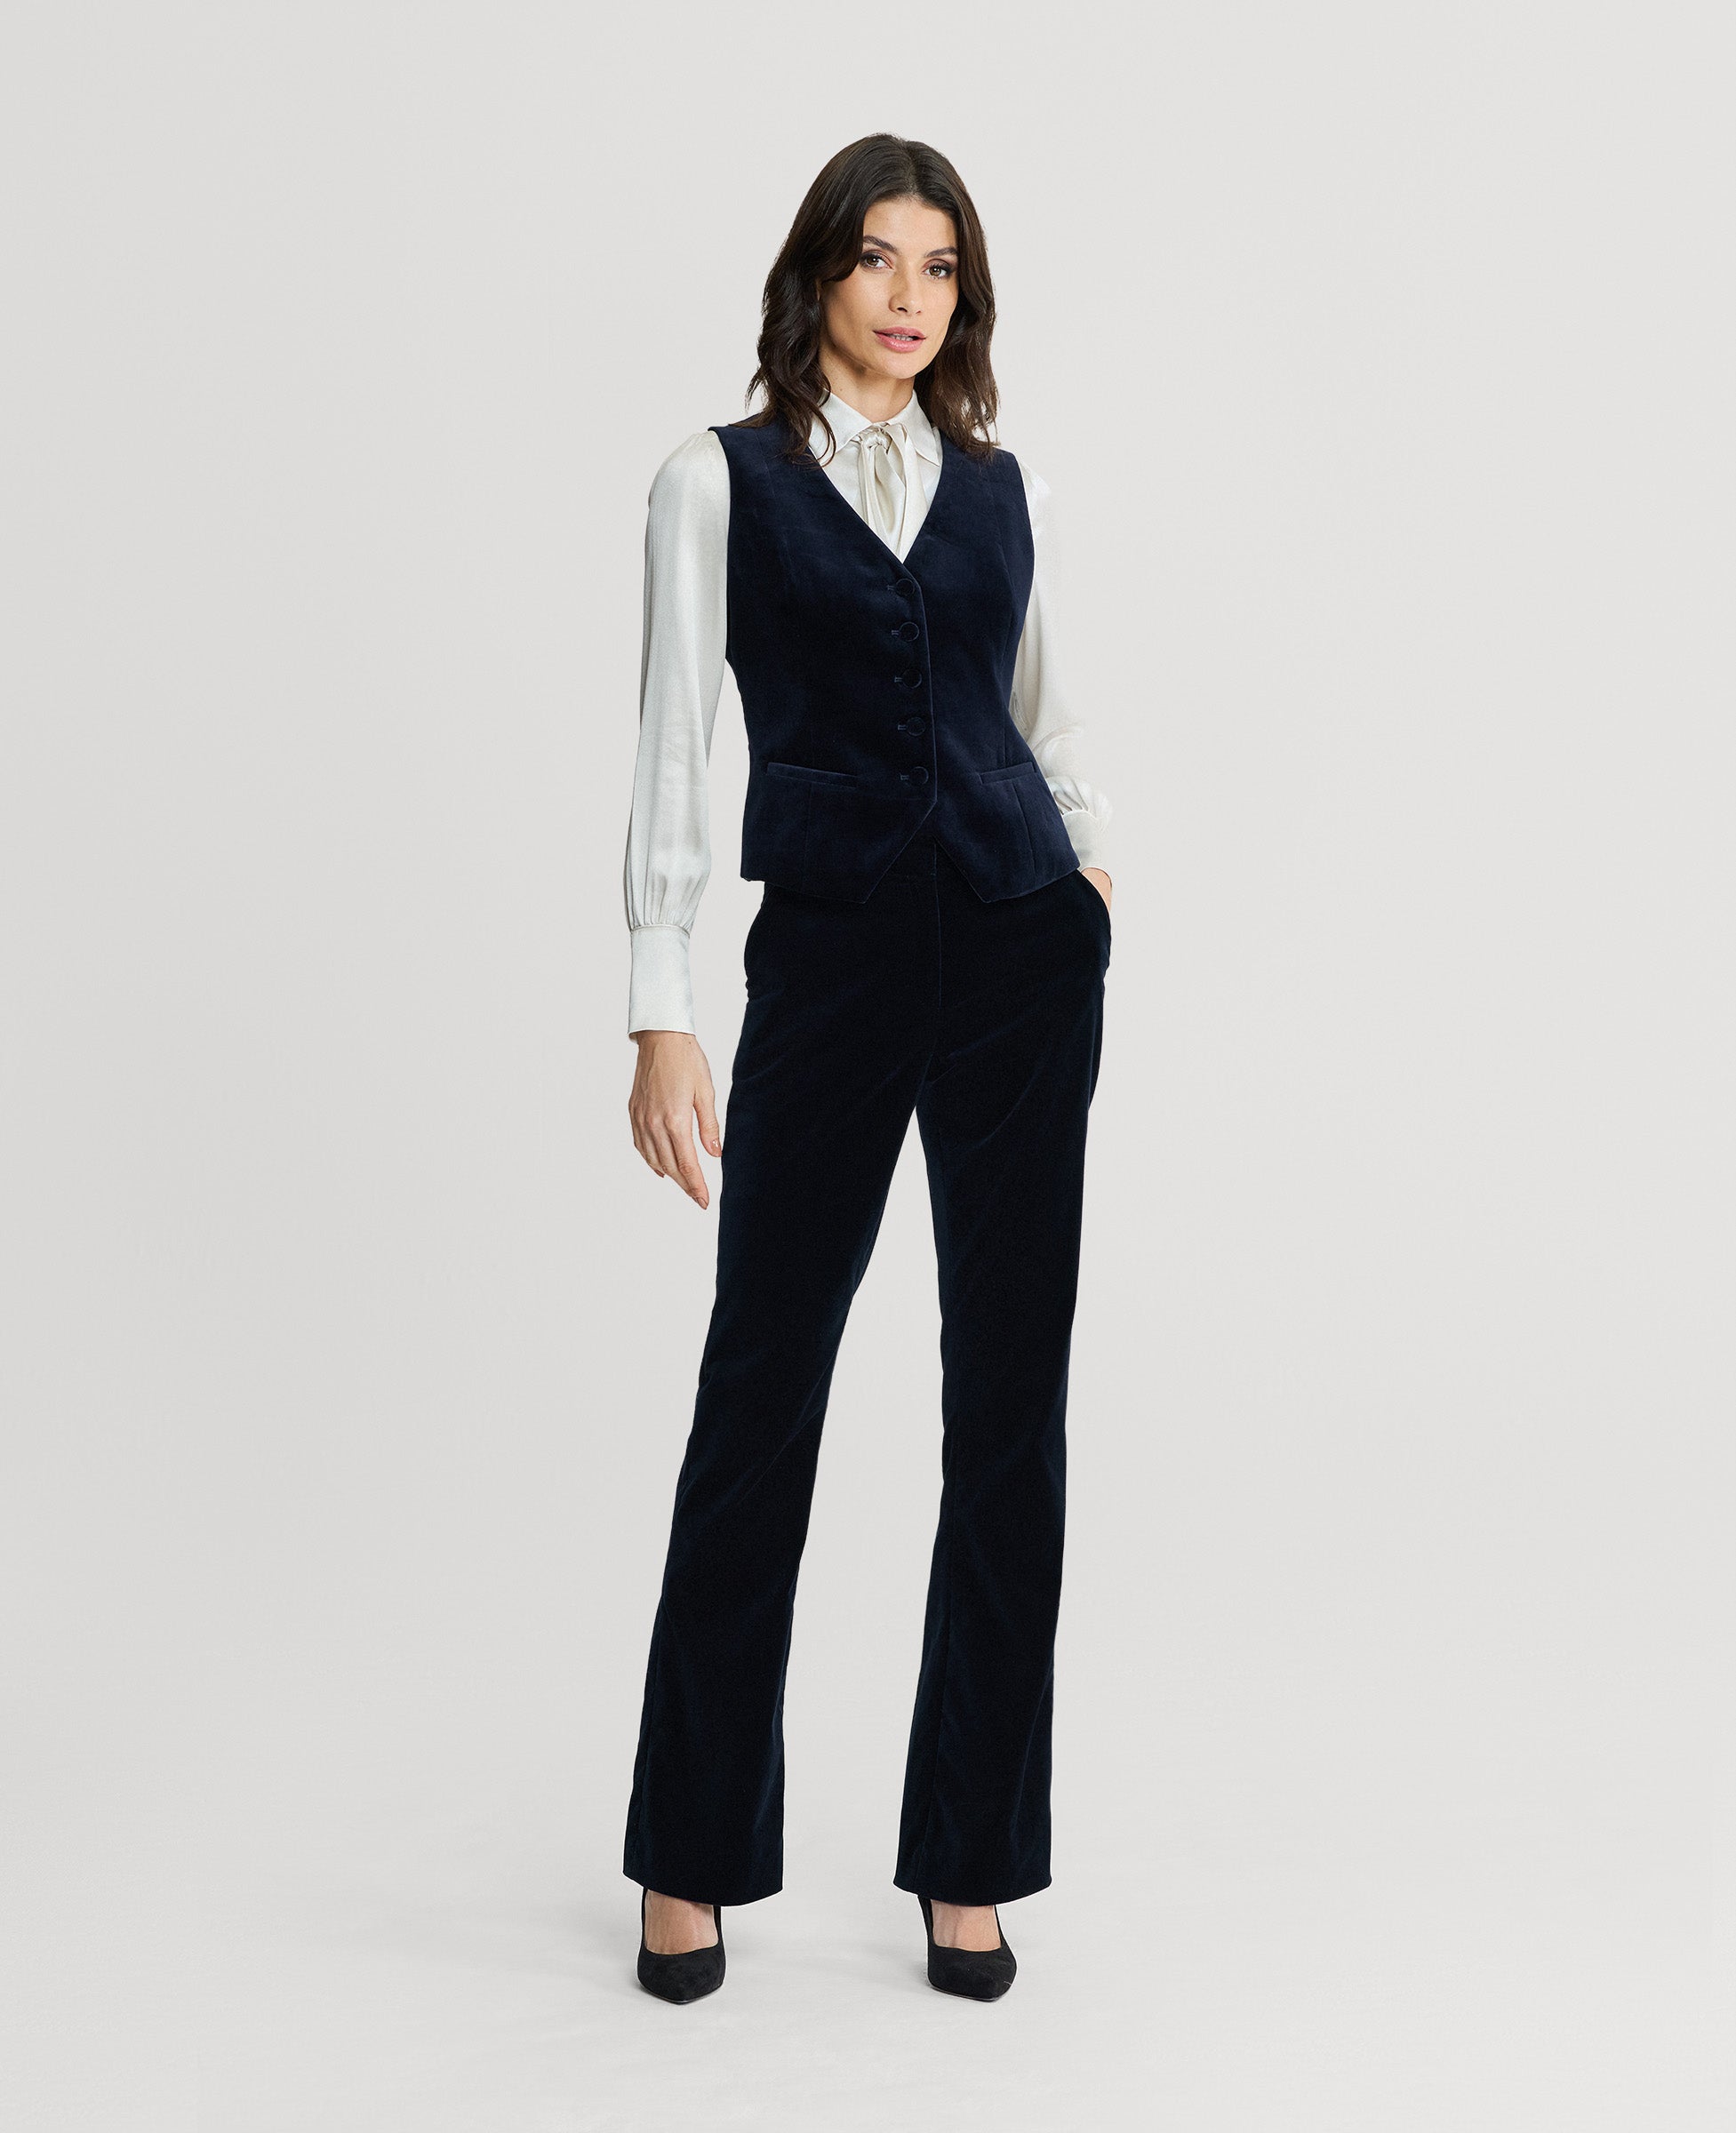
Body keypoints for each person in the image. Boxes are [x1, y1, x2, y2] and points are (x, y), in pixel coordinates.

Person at [619, 132, 1115, 2004]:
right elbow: (674, 746)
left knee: (1010, 1411)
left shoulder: (1000, 486)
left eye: (939, 267)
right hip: (827, 961)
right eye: (878, 260)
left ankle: (971, 1860)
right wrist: (662, 1001)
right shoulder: (715, 480)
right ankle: (689, 1852)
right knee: (761, 1391)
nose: (910, 298)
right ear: (816, 274)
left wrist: (1084, 883)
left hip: (1015, 954)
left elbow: (1044, 716)